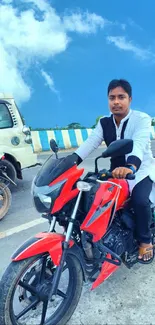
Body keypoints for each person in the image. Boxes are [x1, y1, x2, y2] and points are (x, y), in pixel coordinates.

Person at [74, 79, 155, 263]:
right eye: (112, 98)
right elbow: (90, 143)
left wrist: (131, 166)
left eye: (121, 97)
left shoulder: (141, 119)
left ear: (130, 99)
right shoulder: (104, 122)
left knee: (140, 200)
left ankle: (145, 240)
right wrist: (70, 160)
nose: (116, 102)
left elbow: (140, 144)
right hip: (115, 173)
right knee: (93, 199)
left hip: (140, 170)